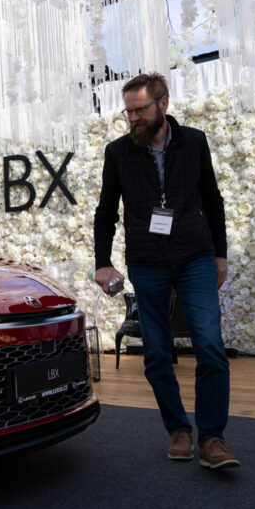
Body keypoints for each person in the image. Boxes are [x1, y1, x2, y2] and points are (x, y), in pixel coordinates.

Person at [93, 73, 239, 470]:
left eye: (139, 110)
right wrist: (102, 261)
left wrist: (220, 255)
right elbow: (106, 211)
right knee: (157, 352)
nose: (133, 118)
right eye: (128, 112)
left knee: (210, 346)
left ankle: (213, 438)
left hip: (195, 256)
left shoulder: (194, 141)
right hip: (146, 262)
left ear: (163, 104)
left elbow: (213, 200)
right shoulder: (118, 152)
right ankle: (178, 430)